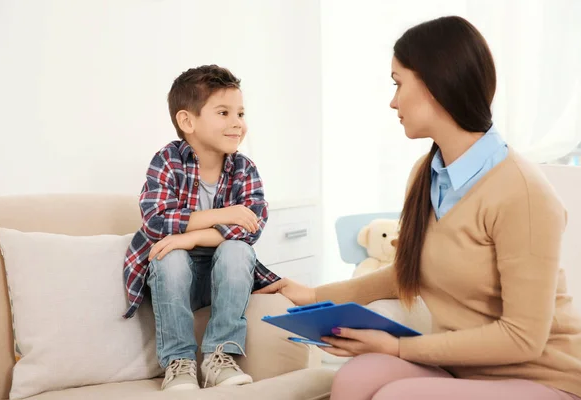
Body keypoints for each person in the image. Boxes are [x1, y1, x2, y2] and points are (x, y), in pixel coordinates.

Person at [256, 16, 581, 400]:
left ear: (433, 82)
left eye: (398, 83)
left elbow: (523, 338)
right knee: (353, 379)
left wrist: (397, 348)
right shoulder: (425, 175)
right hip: (462, 370)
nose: (393, 101)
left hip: (544, 377)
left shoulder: (523, 193)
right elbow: (410, 272)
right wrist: (314, 295)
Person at [123, 65, 279, 391]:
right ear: (187, 121)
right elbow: (155, 220)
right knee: (170, 256)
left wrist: (189, 237)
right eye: (224, 112)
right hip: (174, 281)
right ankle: (179, 362)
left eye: (240, 112)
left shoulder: (244, 168)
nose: (238, 122)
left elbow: (250, 228)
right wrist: (225, 214)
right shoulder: (168, 160)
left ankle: (218, 356)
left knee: (238, 250)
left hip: (223, 278)